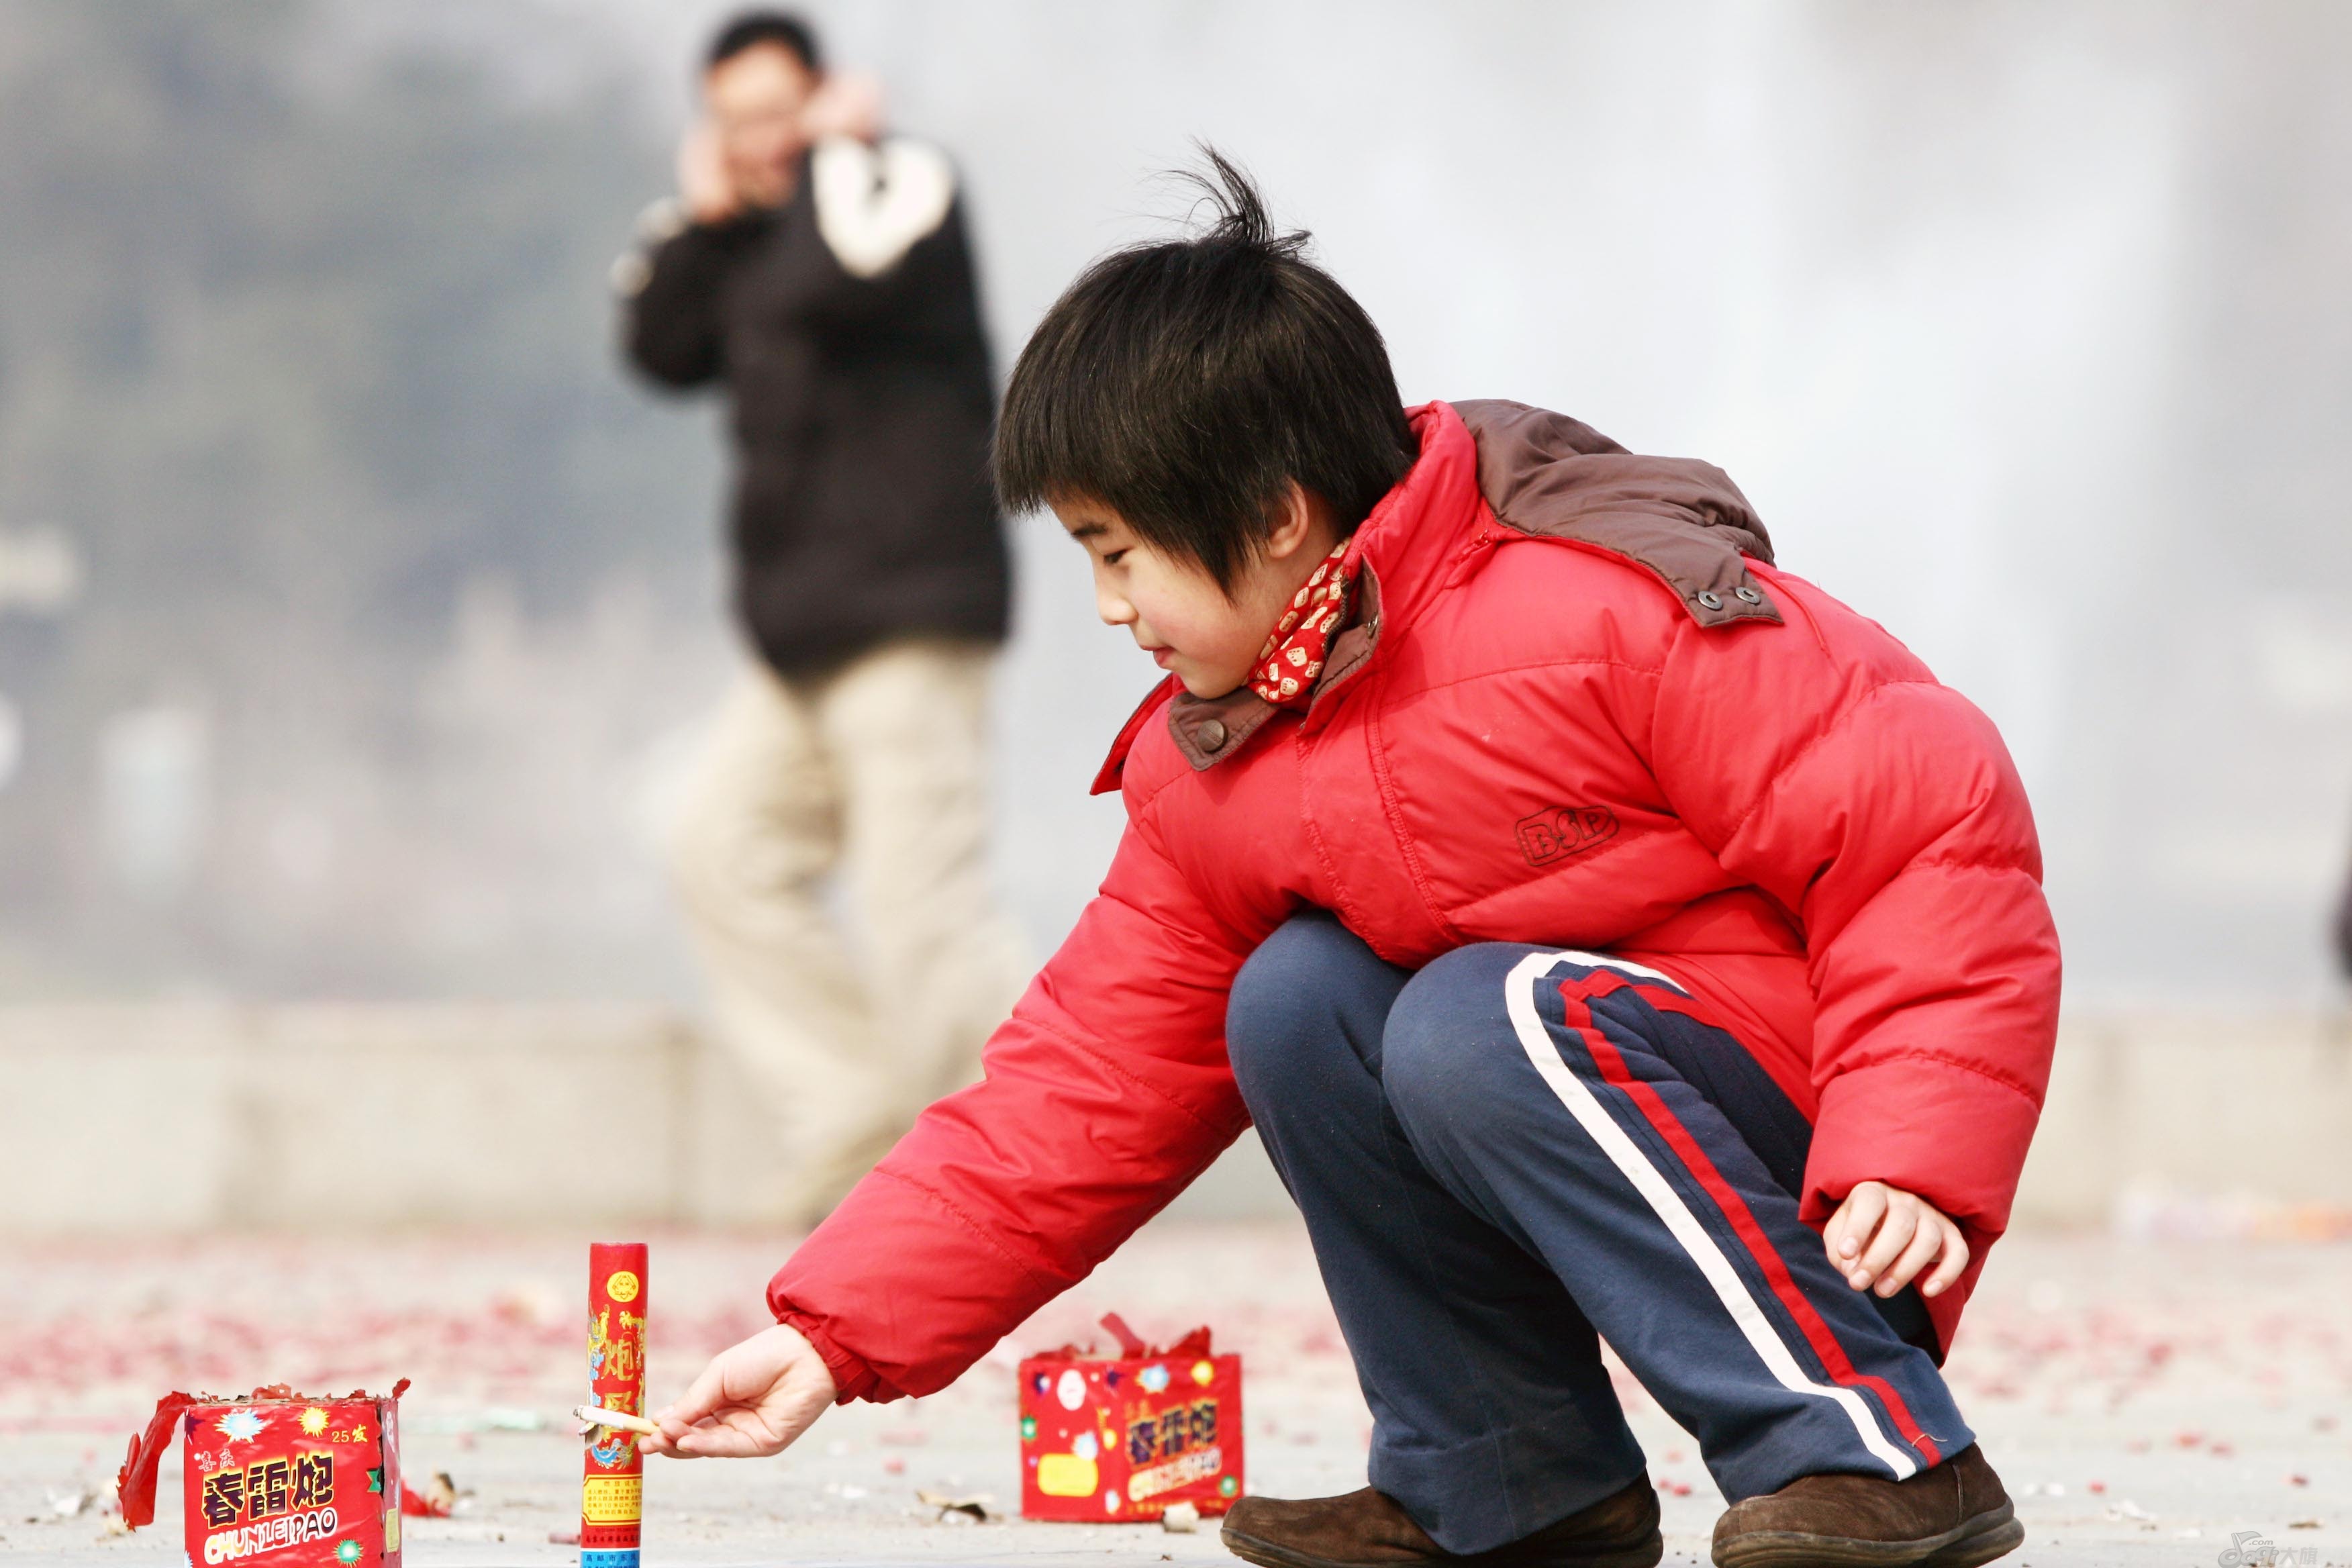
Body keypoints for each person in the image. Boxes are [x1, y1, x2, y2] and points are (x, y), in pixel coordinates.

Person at [641, 155, 2061, 1568]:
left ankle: (1872, 1454)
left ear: (1272, 513)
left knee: (1471, 1018)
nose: (1107, 605)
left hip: (1817, 1152)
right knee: (1294, 996)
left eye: (1121, 551)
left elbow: (1928, 822)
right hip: (1570, 1083)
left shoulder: (1596, 609)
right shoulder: (1224, 758)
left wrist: (1915, 1153)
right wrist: (829, 1336)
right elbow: (1083, 1080)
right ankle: (1508, 1482)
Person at [614, 11, 1028, 1224]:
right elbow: (655, 343)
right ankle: (857, 1121)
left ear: (829, 99)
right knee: (718, 843)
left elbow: (839, 269)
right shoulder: (736, 242)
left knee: (923, 913)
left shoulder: (900, 183)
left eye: (776, 113)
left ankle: (1021, 1161)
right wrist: (702, 217)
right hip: (797, 641)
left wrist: (836, 151)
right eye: (732, 122)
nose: (758, 144)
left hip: (911, 614)